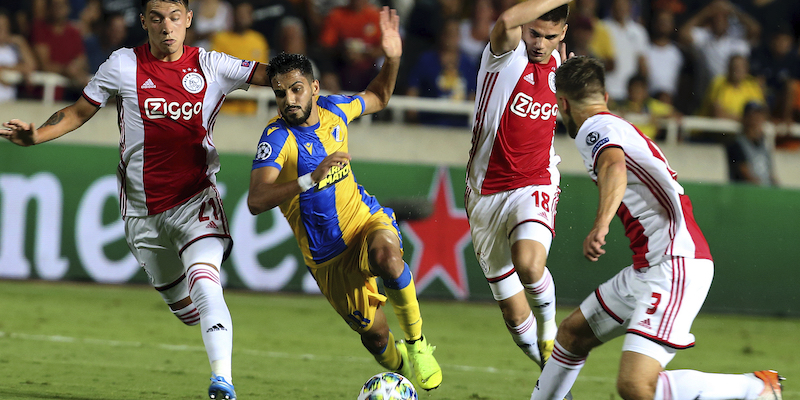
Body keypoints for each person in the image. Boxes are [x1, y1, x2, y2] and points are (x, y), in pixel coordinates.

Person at [1, 1, 272, 399]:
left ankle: (222, 382)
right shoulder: (122, 65)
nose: (167, 27)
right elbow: (78, 111)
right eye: (157, 18)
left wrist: (305, 84)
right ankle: (208, 318)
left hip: (195, 201)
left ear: (188, 21)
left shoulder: (212, 65)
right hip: (142, 213)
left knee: (206, 283)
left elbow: (277, 76)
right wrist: (37, 135)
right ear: (144, 21)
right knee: (187, 310)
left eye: (175, 18)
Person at [529, 54, 784, 400]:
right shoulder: (613, 123)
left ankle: (755, 388)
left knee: (636, 386)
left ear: (561, 104)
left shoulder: (595, 128)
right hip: (650, 266)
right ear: (604, 95)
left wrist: (601, 223)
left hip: (673, 264)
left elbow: (614, 167)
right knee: (572, 335)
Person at [247, 7, 443, 392]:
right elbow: (256, 199)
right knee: (377, 339)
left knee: (389, 259)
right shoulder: (276, 139)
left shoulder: (335, 109)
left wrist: (393, 57)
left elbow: (380, 95)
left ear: (315, 88)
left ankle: (419, 345)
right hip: (328, 259)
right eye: (281, 92)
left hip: (364, 221)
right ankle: (401, 367)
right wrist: (308, 179)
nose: (289, 99)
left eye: (296, 89)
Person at [465, 0, 570, 375]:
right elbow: (508, 19)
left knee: (529, 264)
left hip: (535, 181)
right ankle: (552, 377)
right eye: (534, 33)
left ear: (563, 35)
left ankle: (550, 327)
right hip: (484, 193)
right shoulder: (504, 57)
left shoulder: (564, 66)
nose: (540, 43)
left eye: (549, 36)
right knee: (512, 310)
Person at [726, 101, 778, 186]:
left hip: (765, 192)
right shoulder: (737, 145)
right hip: (748, 193)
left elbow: (771, 175)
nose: (758, 120)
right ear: (746, 118)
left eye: (761, 116)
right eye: (754, 115)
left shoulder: (764, 145)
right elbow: (746, 175)